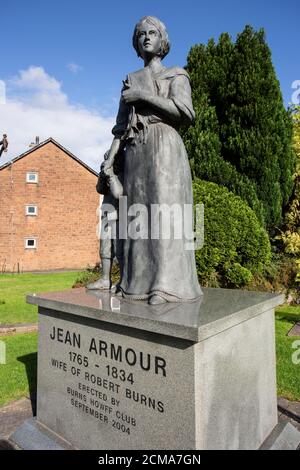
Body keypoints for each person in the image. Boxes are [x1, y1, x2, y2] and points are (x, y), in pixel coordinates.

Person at [104, 16, 202, 305]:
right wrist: (110, 161)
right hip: (135, 151)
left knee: (164, 213)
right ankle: (133, 283)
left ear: (162, 41)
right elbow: (120, 128)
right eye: (141, 34)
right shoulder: (130, 80)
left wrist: (144, 96)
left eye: (152, 33)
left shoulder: (176, 74)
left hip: (164, 146)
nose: (146, 38)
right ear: (137, 43)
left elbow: (185, 113)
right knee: (136, 215)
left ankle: (166, 286)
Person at [87, 151, 123, 290]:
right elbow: (99, 189)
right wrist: (103, 176)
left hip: (121, 214)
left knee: (119, 249)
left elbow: (118, 193)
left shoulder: (124, 171)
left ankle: (123, 282)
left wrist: (112, 174)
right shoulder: (106, 171)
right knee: (105, 248)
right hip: (107, 213)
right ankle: (105, 280)